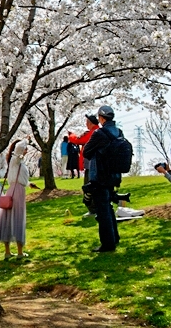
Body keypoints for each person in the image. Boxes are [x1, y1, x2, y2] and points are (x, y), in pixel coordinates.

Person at [81, 105, 122, 253]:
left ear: (102, 118)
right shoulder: (119, 132)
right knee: (108, 206)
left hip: (100, 175)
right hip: (114, 175)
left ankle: (107, 244)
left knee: (102, 209)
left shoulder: (99, 133)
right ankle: (114, 237)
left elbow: (86, 152)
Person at [0, 140, 30, 260]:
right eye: (25, 148)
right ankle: (19, 252)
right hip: (17, 192)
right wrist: (26, 140)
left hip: (15, 190)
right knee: (17, 218)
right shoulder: (15, 160)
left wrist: (29, 183)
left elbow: (18, 178)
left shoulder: (17, 163)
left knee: (8, 219)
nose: (26, 150)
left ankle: (8, 252)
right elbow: (19, 149)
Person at [69, 114, 100, 215]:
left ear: (91, 123)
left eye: (87, 122)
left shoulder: (92, 133)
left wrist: (71, 135)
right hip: (100, 165)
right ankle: (96, 208)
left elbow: (78, 140)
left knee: (88, 187)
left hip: (91, 165)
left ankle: (93, 209)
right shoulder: (101, 132)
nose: (86, 124)